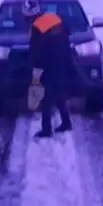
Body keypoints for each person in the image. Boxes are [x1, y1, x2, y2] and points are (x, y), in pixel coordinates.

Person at [29, 10, 74, 138]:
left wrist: (36, 70)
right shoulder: (55, 20)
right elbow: (66, 38)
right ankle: (66, 122)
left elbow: (37, 51)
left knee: (46, 98)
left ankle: (46, 129)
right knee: (59, 93)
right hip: (63, 63)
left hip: (50, 66)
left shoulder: (36, 28)